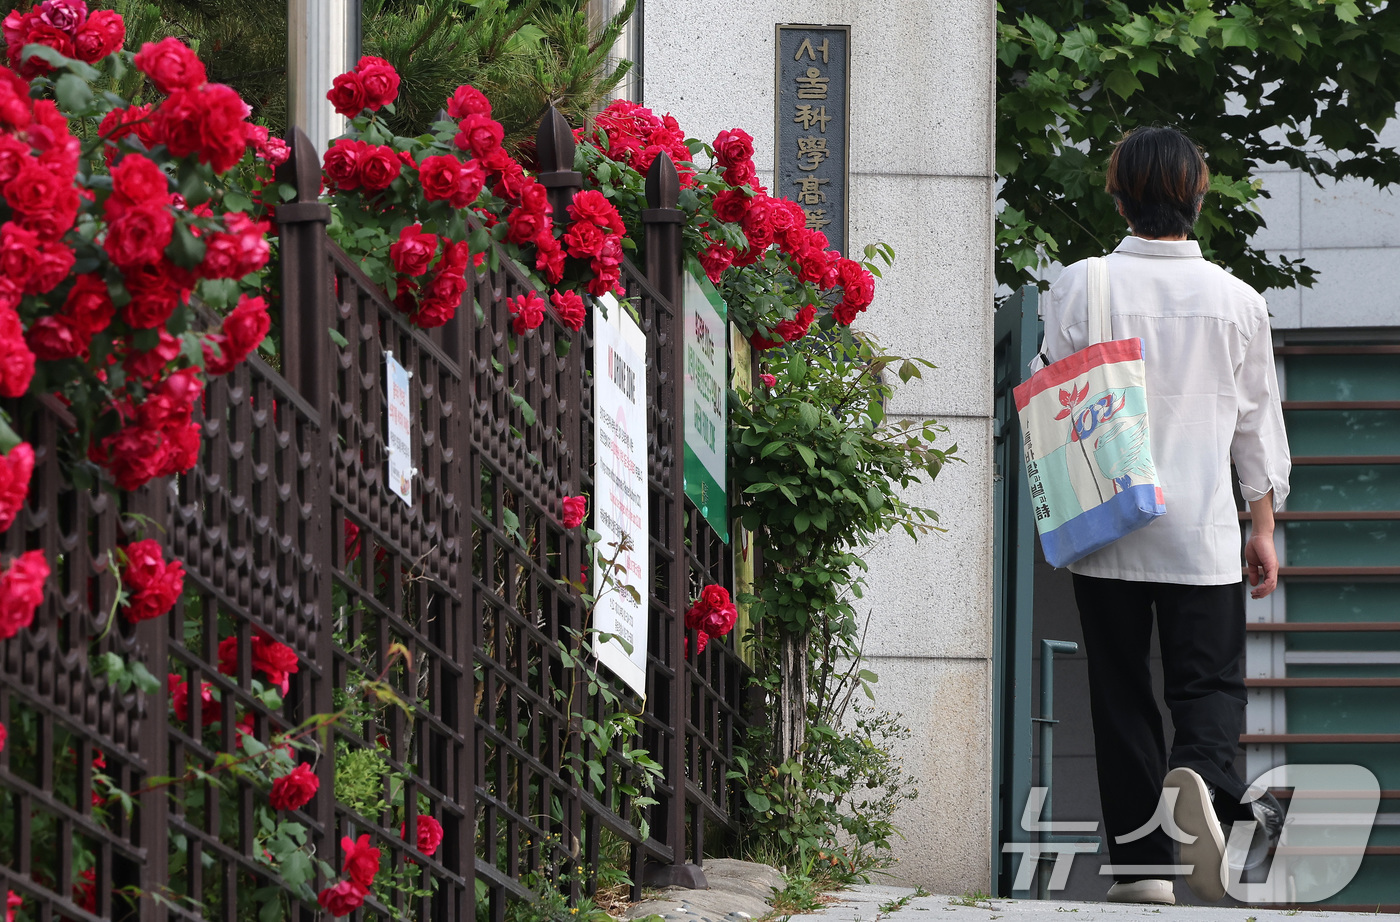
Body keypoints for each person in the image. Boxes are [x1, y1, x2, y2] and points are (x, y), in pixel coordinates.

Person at [1035, 126, 1289, 906]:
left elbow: (1053, 389)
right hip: (1204, 531)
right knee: (1208, 686)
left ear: (1118, 195)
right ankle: (1208, 787)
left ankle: (1144, 867)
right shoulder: (1237, 301)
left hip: (1107, 525)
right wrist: (1261, 527)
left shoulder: (1079, 286)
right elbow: (1257, 425)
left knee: (1119, 693)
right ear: (1197, 196)